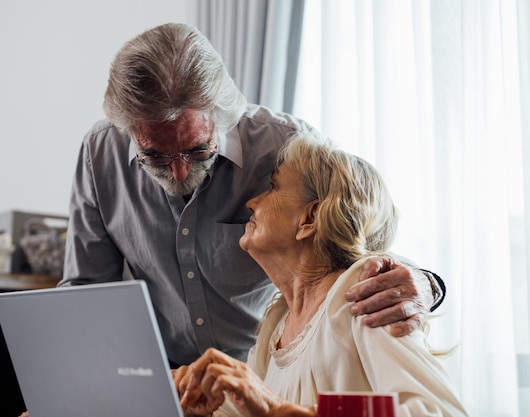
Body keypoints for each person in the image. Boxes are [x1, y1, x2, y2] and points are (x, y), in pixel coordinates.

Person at [59, 22, 444, 367]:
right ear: (127, 130)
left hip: (268, 375)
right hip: (168, 383)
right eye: (154, 155)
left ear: (222, 115)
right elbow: (88, 294)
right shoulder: (100, 153)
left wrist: (423, 283)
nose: (178, 172)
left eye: (197, 150)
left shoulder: (288, 146)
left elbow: (358, 235)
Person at [174, 133, 466, 417]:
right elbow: (251, 408)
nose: (252, 202)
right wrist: (192, 401)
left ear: (310, 218)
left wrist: (278, 410)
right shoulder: (276, 323)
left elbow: (437, 412)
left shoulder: (362, 294)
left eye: (273, 187)